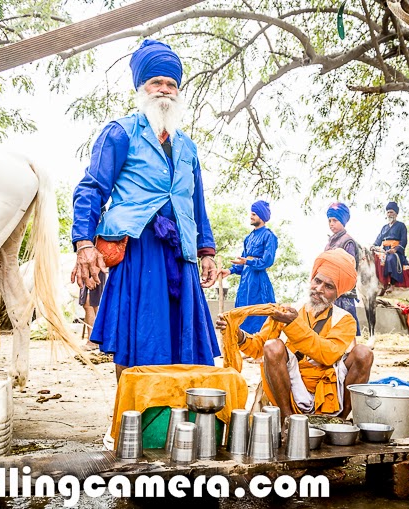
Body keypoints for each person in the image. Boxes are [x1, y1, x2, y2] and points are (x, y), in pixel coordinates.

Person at [71, 39, 219, 380]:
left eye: (171, 84)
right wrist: (83, 243)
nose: (164, 90)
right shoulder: (120, 133)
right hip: (139, 247)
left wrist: (206, 251)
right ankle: (129, 419)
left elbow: (196, 203)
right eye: (157, 83)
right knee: (136, 338)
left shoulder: (187, 147)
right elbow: (91, 188)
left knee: (184, 341)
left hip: (181, 252)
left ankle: (172, 418)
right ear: (142, 88)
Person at [216, 249, 374, 419]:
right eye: (317, 281)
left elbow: (327, 355)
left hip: (330, 391)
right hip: (288, 388)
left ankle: (339, 421)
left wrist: (292, 324)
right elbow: (259, 349)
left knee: (364, 353)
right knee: (273, 346)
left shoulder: (344, 320)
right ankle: (287, 420)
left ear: (338, 293)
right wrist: (237, 334)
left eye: (328, 286)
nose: (319, 289)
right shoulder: (286, 310)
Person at [219, 201, 278, 333]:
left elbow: (267, 261)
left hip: (258, 283)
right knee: (242, 313)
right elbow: (242, 261)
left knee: (258, 314)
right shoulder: (248, 237)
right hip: (245, 284)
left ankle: (259, 349)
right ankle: (244, 348)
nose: (251, 216)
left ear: (262, 216)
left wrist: (249, 262)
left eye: (254, 214)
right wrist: (229, 270)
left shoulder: (269, 236)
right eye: (251, 213)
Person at [323, 202, 360, 335]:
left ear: (343, 221)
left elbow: (348, 267)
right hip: (327, 288)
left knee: (346, 325)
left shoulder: (347, 241)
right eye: (329, 220)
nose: (331, 223)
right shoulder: (329, 242)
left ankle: (352, 354)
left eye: (335, 220)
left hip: (342, 291)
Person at [373, 201, 408, 284]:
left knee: (391, 259)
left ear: (396, 214)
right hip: (385, 250)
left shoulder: (401, 225)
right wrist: (374, 246)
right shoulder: (384, 227)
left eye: (391, 212)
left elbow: (404, 241)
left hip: (395, 251)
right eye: (388, 212)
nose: (389, 214)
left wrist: (395, 249)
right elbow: (379, 239)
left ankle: (392, 283)